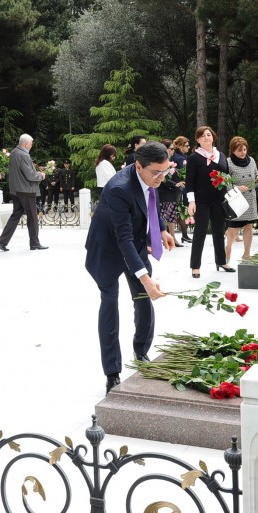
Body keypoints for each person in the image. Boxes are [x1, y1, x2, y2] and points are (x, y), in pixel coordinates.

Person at [85, 141, 173, 393]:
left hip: (132, 243)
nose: (160, 177)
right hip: (108, 249)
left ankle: (141, 351)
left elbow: (151, 201)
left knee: (144, 298)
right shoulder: (119, 189)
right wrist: (144, 276)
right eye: (155, 172)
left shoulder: (151, 177)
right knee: (110, 302)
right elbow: (122, 240)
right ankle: (112, 372)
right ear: (137, 165)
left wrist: (162, 229)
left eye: (164, 171)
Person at [186, 126, 233, 277]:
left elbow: (227, 176)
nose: (206, 138)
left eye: (208, 135)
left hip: (219, 200)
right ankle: (195, 266)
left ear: (213, 137)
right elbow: (189, 182)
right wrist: (191, 201)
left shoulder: (221, 156)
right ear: (198, 140)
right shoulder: (194, 158)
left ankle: (221, 261)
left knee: (219, 231)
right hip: (201, 201)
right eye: (202, 136)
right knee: (200, 232)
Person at [0, 134, 48, 251]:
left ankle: (2, 241)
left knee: (15, 216)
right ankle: (34, 243)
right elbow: (30, 175)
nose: (31, 145)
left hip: (16, 190)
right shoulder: (24, 155)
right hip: (26, 190)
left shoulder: (14, 152)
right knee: (33, 217)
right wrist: (40, 175)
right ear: (25, 144)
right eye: (31, 143)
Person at [224, 136, 258, 263]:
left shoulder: (252, 161)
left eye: (244, 149)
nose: (243, 152)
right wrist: (237, 188)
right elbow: (224, 183)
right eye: (240, 150)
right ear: (233, 150)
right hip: (236, 200)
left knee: (249, 226)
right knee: (233, 230)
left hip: (250, 198)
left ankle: (247, 254)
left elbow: (255, 177)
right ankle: (227, 251)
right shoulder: (227, 162)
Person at [158, 138, 183, 247]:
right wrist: (174, 184)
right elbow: (162, 177)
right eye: (171, 149)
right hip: (165, 192)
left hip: (172, 192)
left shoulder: (170, 160)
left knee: (171, 217)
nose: (173, 151)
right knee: (166, 216)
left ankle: (171, 238)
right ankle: (169, 238)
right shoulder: (161, 161)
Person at [171, 136, 191, 243]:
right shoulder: (180, 158)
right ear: (180, 146)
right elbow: (183, 173)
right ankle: (184, 235)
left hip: (177, 186)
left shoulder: (176, 156)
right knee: (180, 210)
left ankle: (184, 235)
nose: (188, 147)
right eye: (186, 145)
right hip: (180, 187)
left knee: (180, 211)